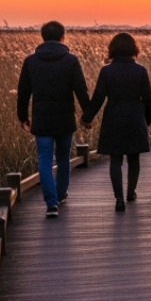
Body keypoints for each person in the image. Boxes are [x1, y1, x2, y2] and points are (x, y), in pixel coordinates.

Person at [17, 21, 91, 218]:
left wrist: (23, 117)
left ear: (42, 37)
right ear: (62, 37)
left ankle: (51, 203)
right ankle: (60, 194)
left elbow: (23, 93)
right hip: (65, 119)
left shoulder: (31, 61)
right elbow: (81, 91)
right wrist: (87, 115)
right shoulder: (71, 60)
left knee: (44, 159)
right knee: (63, 157)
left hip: (41, 119)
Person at [83, 32, 151, 212]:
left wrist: (87, 117)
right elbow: (148, 100)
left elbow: (98, 98)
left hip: (113, 116)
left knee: (115, 159)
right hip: (135, 117)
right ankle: (131, 192)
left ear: (112, 49)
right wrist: (146, 121)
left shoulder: (106, 71)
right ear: (133, 48)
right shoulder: (141, 70)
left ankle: (119, 198)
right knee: (134, 158)